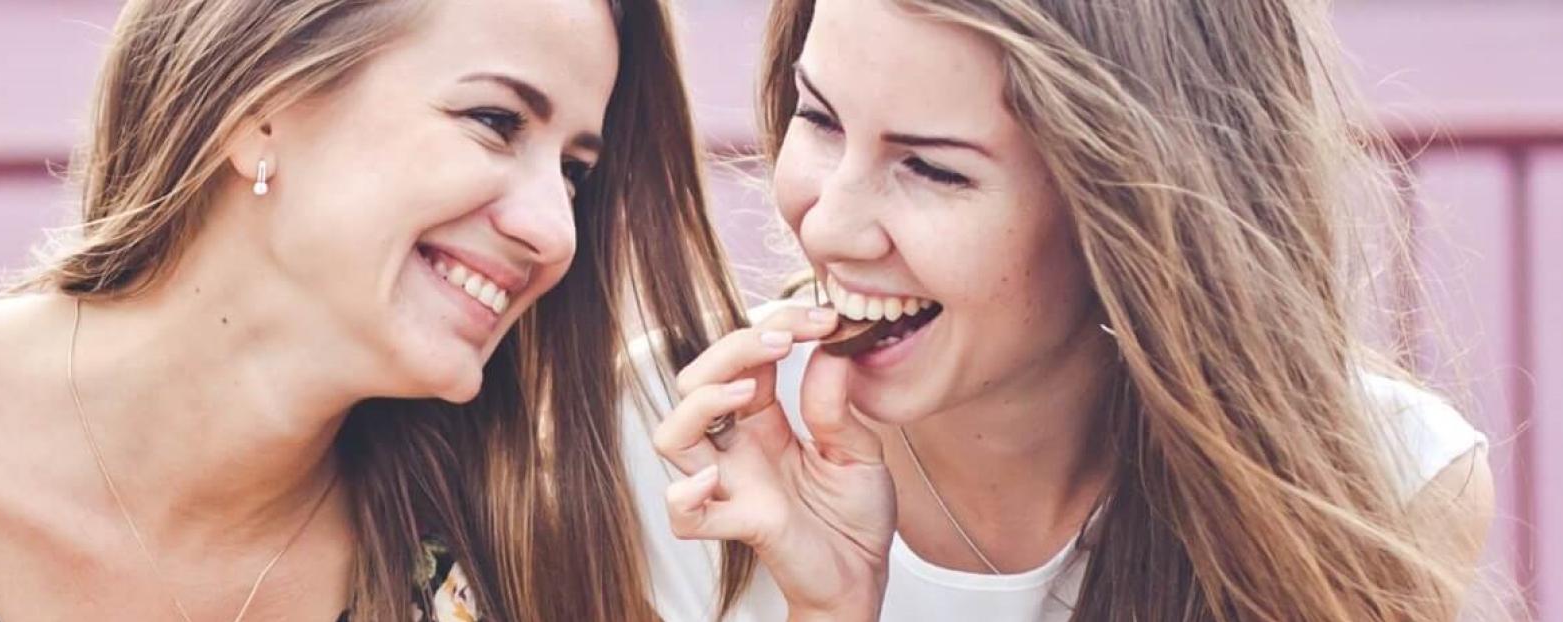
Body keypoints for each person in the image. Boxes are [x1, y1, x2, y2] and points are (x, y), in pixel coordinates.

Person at [0, 1, 730, 620]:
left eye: (576, 171)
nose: (555, 229)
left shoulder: (497, 570)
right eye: (496, 121)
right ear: (256, 109)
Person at [625, 0, 1496, 619]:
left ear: (1132, 212)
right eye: (818, 118)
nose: (831, 223)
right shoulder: (674, 438)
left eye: (932, 169)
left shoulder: (1383, 489)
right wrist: (832, 607)